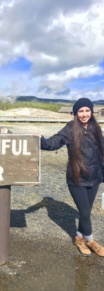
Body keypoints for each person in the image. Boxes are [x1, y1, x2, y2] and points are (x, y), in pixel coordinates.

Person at [40, 98, 104, 257]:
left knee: (86, 212)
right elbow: (54, 142)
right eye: (81, 111)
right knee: (84, 213)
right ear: (75, 113)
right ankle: (90, 241)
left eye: (87, 110)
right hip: (77, 179)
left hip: (95, 177)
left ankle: (79, 238)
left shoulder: (96, 128)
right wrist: (40, 140)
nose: (84, 114)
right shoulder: (70, 129)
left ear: (91, 111)